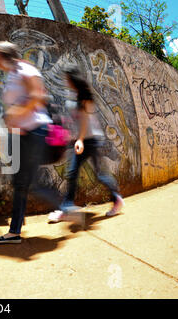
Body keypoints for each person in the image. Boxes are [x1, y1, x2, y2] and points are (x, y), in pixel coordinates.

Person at [0, 41, 62, 244]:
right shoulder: (12, 74)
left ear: (5, 55)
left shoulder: (25, 69)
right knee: (22, 183)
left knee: (26, 184)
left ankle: (65, 207)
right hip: (21, 134)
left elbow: (38, 95)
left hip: (35, 131)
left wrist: (15, 113)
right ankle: (16, 230)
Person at [48, 66, 124, 223]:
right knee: (86, 173)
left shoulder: (83, 96)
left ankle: (67, 208)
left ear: (73, 79)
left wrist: (80, 139)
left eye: (67, 78)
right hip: (85, 139)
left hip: (89, 140)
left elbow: (84, 121)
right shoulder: (75, 94)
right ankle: (115, 198)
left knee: (76, 173)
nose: (65, 81)